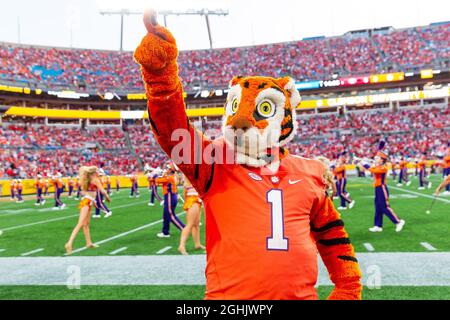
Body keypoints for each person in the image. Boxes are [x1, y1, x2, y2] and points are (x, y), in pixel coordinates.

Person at [134, 12, 361, 300]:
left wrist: (348, 288)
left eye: (264, 110)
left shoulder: (309, 171)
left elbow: (332, 236)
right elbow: (172, 130)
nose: (242, 121)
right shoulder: (214, 162)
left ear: (285, 114)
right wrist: (161, 79)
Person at [359, 142, 405, 233]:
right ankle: (378, 225)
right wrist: (363, 163)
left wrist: (364, 163)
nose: (375, 159)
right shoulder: (379, 165)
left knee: (384, 207)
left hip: (382, 188)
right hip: (377, 188)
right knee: (378, 207)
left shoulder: (383, 167)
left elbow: (373, 170)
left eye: (377, 158)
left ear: (382, 160)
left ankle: (398, 221)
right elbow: (371, 168)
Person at [65, 166, 110, 255]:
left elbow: (84, 192)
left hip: (87, 201)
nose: (98, 172)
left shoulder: (88, 179)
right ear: (94, 172)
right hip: (87, 202)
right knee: (80, 223)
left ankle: (88, 243)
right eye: (97, 171)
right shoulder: (95, 180)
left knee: (86, 224)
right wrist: (107, 197)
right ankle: (69, 243)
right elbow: (103, 191)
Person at [178, 175, 205, 255]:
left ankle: (197, 244)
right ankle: (181, 246)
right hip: (192, 200)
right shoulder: (190, 173)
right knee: (189, 224)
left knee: (196, 224)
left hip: (196, 199)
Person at [156, 167, 185, 238]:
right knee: (166, 216)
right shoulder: (170, 177)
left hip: (170, 197)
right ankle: (165, 232)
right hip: (170, 197)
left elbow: (158, 180)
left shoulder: (169, 178)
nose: (166, 169)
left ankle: (184, 228)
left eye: (168, 169)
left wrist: (160, 174)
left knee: (170, 216)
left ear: (171, 171)